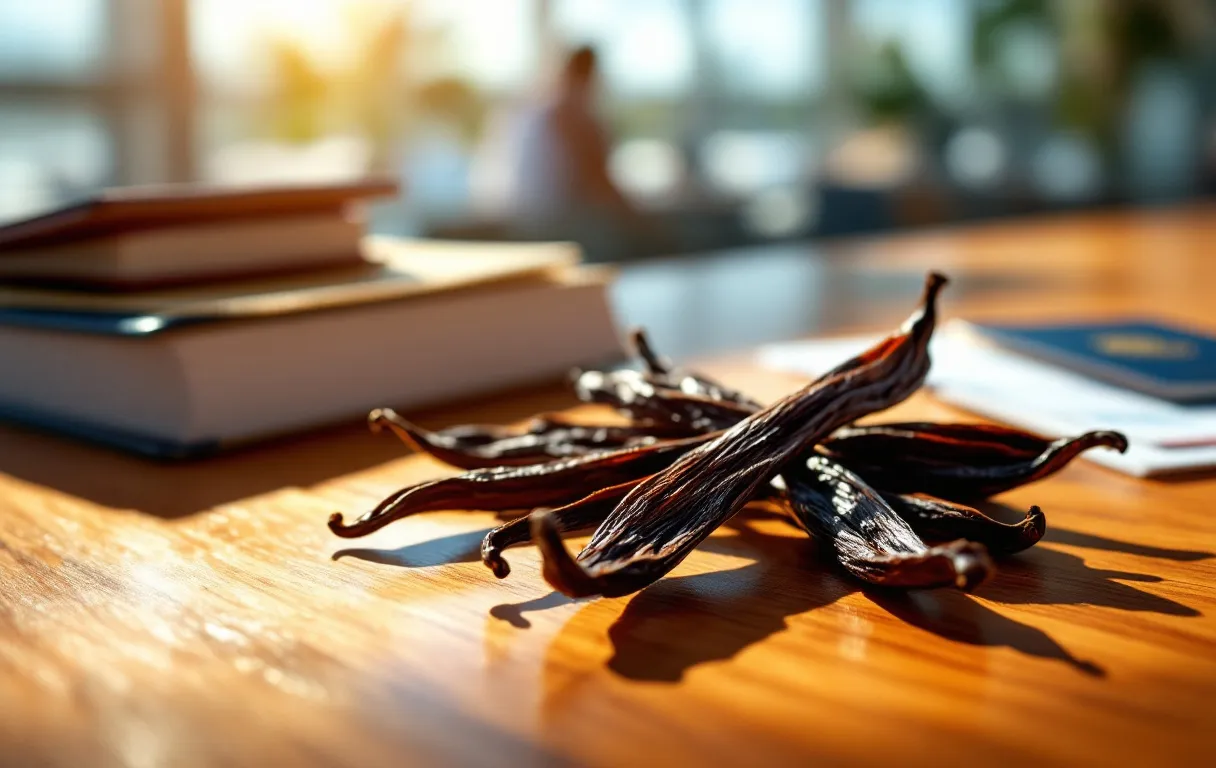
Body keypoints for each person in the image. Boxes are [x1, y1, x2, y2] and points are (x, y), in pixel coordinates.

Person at [509, 46, 644, 260]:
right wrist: (640, 221)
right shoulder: (570, 114)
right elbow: (598, 179)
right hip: (560, 231)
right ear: (591, 73)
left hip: (535, 227)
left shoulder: (545, 109)